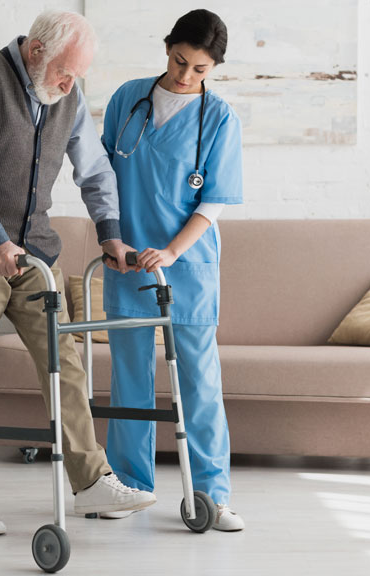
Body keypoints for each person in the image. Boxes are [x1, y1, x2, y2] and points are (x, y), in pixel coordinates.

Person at [0, 10, 153, 537]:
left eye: (77, 76)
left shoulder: (66, 96)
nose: (71, 84)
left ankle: (91, 480)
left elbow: (93, 167)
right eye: (65, 73)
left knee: (64, 361)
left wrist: (110, 232)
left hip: (32, 252)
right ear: (34, 54)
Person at [99, 9, 245, 531]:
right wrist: (109, 236)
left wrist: (175, 252)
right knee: (130, 382)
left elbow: (214, 202)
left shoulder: (220, 117)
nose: (186, 77)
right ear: (167, 49)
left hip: (188, 268)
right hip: (128, 262)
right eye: (180, 61)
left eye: (200, 70)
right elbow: (102, 179)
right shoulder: (127, 99)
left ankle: (212, 495)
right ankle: (129, 487)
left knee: (200, 386)